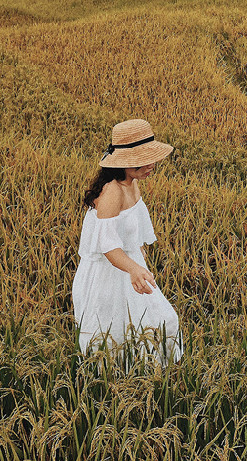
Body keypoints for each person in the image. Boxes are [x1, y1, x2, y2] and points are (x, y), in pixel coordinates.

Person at [72, 118, 182, 366]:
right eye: (144, 159)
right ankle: (115, 384)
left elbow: (134, 232)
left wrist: (139, 264)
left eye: (152, 158)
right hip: (107, 277)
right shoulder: (112, 191)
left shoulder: (132, 184)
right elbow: (108, 246)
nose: (151, 165)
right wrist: (134, 269)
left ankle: (152, 376)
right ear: (125, 162)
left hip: (130, 268)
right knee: (113, 340)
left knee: (162, 322)